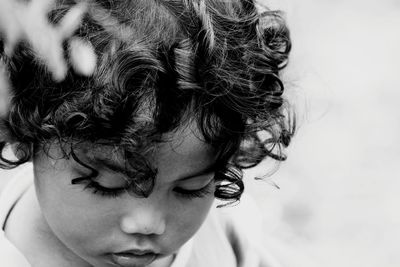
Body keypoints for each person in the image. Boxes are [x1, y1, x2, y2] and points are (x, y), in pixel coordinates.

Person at [0, 0, 294, 266]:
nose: (148, 223)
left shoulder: (221, 236)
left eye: (191, 189)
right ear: (23, 136)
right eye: (106, 185)